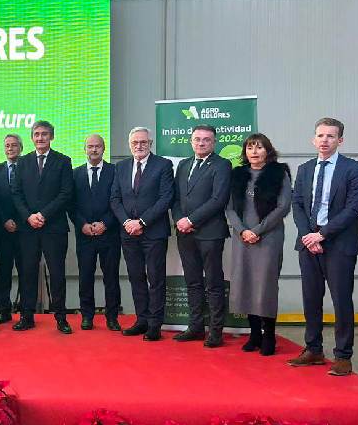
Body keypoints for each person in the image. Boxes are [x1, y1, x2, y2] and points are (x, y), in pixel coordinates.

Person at [288, 118, 358, 376]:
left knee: (341, 301)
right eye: (320, 135)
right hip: (308, 244)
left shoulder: (354, 169)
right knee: (311, 300)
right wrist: (308, 236)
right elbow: (297, 204)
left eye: (331, 136)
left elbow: (353, 209)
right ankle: (313, 349)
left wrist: (321, 235)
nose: (324, 140)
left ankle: (343, 356)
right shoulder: (305, 168)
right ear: (314, 139)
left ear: (340, 140)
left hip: (339, 246)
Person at [226, 134, 291, 356]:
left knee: (265, 284)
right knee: (245, 283)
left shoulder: (279, 173)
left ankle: (269, 336)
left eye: (259, 147)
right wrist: (243, 230)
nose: (254, 152)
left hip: (268, 237)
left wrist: (257, 230)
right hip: (241, 237)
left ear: (268, 150)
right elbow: (230, 208)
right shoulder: (237, 174)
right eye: (250, 148)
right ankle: (254, 334)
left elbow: (283, 207)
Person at [111, 127, 174, 340]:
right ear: (130, 144)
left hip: (153, 232)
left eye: (143, 142)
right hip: (128, 232)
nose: (139, 146)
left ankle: (155, 324)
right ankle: (142, 320)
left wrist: (142, 222)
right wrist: (127, 222)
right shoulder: (120, 167)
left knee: (155, 278)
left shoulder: (163, 165)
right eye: (135, 142)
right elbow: (115, 199)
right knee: (136, 277)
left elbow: (166, 198)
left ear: (150, 144)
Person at [172, 125, 232, 348]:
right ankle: (195, 326)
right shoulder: (184, 165)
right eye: (197, 139)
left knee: (214, 283)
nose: (201, 143)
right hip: (184, 233)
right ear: (190, 141)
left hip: (210, 233)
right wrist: (180, 219)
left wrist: (191, 220)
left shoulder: (222, 165)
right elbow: (176, 197)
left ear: (214, 143)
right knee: (193, 281)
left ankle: (215, 331)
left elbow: (218, 200)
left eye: (206, 140)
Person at [11, 120, 74, 334]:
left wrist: (43, 214)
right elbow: (16, 193)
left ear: (52, 137)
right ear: (31, 138)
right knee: (27, 272)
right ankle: (27, 316)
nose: (40, 138)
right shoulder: (23, 162)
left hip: (54, 227)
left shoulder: (63, 161)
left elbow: (66, 194)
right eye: (36, 134)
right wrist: (29, 216)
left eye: (44, 134)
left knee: (57, 273)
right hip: (28, 228)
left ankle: (60, 318)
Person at [71, 134, 121, 331]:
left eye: (97, 146)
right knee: (85, 277)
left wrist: (105, 223)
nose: (94, 150)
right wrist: (82, 224)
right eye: (90, 146)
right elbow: (71, 204)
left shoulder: (115, 171)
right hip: (84, 235)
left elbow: (119, 200)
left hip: (109, 234)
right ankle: (87, 316)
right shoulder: (75, 174)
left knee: (111, 277)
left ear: (104, 148)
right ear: (84, 149)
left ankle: (112, 317)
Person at [0, 134, 23, 324]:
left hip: (25, 229)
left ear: (21, 147)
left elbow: (31, 197)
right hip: (2, 230)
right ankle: (4, 309)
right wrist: (5, 220)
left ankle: (26, 310)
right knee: (4, 272)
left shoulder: (28, 167)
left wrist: (19, 220)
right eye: (7, 145)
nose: (10, 148)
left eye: (14, 145)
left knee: (26, 271)